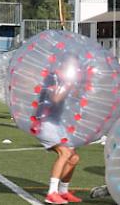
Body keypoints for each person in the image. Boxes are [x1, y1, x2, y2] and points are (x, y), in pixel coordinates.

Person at [33, 62, 82, 204]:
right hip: (43, 122)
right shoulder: (51, 77)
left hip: (57, 123)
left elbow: (73, 100)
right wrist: (69, 85)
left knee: (74, 158)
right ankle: (51, 193)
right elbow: (55, 98)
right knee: (65, 153)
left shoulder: (66, 80)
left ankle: (63, 191)